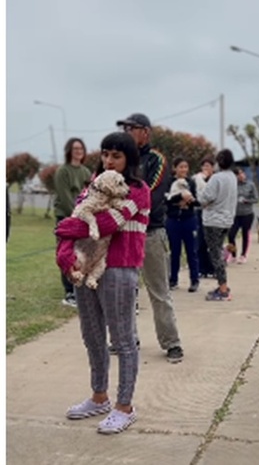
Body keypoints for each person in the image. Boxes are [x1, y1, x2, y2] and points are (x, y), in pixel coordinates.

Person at [55, 132, 150, 434]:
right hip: (86, 266)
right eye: (106, 154)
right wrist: (65, 255)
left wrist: (68, 227)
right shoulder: (92, 186)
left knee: (122, 339)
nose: (109, 160)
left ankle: (125, 406)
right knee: (92, 335)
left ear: (129, 159)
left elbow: (106, 223)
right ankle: (99, 397)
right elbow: (72, 229)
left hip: (120, 268)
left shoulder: (137, 191)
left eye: (117, 156)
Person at [116, 113, 184, 364]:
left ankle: (172, 343)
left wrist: (122, 208)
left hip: (150, 233)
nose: (126, 131)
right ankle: (126, 339)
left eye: (130, 128)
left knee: (159, 291)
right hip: (123, 234)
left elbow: (150, 196)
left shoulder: (156, 160)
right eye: (124, 127)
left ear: (145, 132)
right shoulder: (123, 160)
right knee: (124, 290)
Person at [53, 138, 92, 307]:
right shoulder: (63, 171)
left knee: (82, 253)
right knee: (66, 253)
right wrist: (77, 215)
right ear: (69, 150)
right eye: (75, 148)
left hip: (82, 218)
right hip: (67, 218)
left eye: (81, 148)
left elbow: (89, 194)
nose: (78, 151)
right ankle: (69, 292)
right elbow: (65, 197)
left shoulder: (85, 171)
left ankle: (81, 286)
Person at [200, 149, 238, 301]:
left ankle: (223, 289)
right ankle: (223, 284)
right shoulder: (232, 177)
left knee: (215, 254)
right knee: (218, 252)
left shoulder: (216, 178)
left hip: (213, 221)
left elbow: (205, 198)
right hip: (227, 220)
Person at [165, 157, 200, 292]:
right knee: (175, 252)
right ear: (175, 168)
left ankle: (194, 280)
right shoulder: (169, 182)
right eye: (181, 167)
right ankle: (173, 280)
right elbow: (166, 200)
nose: (184, 170)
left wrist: (188, 201)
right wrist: (179, 198)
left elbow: (195, 200)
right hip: (173, 221)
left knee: (192, 251)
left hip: (189, 220)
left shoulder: (191, 182)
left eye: (186, 167)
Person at [227, 167, 259, 263]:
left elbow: (256, 199)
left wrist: (246, 200)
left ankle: (243, 255)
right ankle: (233, 255)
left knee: (245, 234)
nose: (240, 175)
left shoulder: (250, 185)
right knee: (231, 234)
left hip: (247, 214)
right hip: (235, 214)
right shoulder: (232, 186)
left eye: (241, 173)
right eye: (237, 174)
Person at [194, 157, 215, 279]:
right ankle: (202, 269)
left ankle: (213, 268)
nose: (206, 168)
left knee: (212, 242)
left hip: (213, 213)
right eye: (204, 166)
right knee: (200, 241)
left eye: (208, 166)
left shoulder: (215, 180)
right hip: (200, 212)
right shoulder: (197, 179)